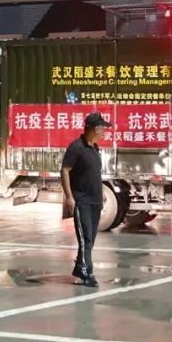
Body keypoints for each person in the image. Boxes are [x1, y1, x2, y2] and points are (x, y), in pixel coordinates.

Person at [61, 112, 112, 288]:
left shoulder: (94, 148)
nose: (104, 132)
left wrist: (101, 193)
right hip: (81, 200)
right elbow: (65, 170)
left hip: (95, 201)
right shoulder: (76, 147)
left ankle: (79, 267)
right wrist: (69, 196)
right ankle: (86, 273)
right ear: (95, 129)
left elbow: (95, 174)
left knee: (90, 239)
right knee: (86, 238)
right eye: (102, 128)